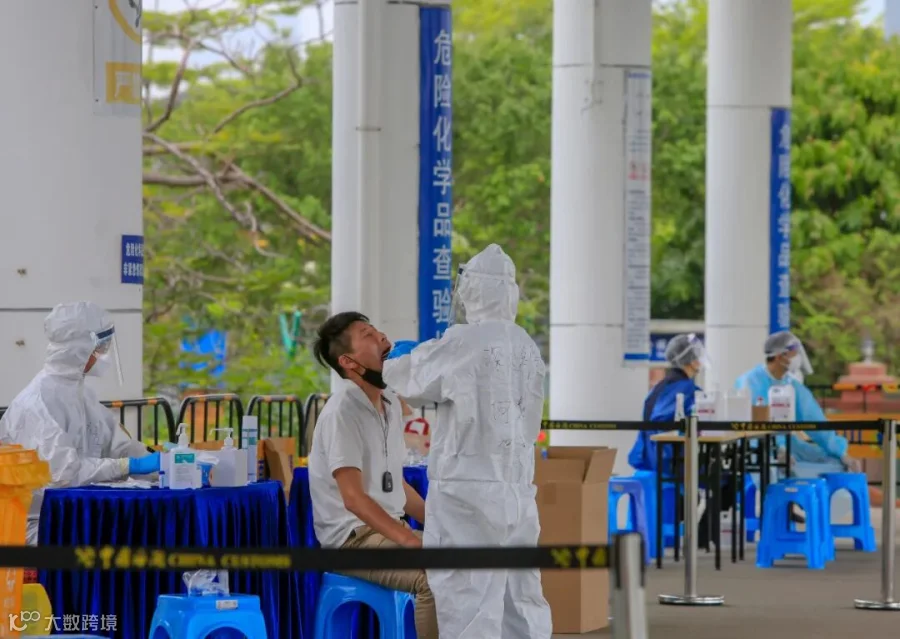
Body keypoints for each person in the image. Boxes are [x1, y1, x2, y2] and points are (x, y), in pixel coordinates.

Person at [383, 244, 552, 639]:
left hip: (467, 493)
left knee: (468, 598)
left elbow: (411, 379)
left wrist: (399, 356)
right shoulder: (526, 345)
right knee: (520, 595)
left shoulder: (463, 341)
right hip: (516, 491)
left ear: (472, 290)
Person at [308, 312, 437, 639]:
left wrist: (443, 523)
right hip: (353, 541)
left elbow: (398, 488)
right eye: (367, 334)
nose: (382, 337)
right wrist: (410, 541)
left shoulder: (390, 403)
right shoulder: (343, 411)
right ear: (348, 362)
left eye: (378, 331)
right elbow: (353, 499)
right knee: (434, 576)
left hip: (389, 532)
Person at [0, 302, 158, 545]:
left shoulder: (81, 395)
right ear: (77, 349)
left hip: (74, 513)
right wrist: (129, 466)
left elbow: (116, 444)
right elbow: (64, 474)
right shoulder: (38, 403)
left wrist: (161, 460)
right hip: (37, 524)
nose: (104, 354)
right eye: (100, 347)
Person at [735, 331, 899, 507]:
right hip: (758, 449)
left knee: (834, 463)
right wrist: (778, 448)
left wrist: (840, 452)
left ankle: (822, 514)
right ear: (780, 356)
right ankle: (781, 513)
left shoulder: (790, 385)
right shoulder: (751, 382)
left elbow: (814, 419)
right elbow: (755, 424)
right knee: (776, 471)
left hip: (788, 447)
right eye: (793, 352)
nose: (797, 357)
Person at [627, 334, 730, 547]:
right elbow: (666, 423)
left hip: (648, 456)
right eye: (697, 357)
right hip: (668, 461)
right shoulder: (687, 389)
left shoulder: (657, 388)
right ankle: (702, 536)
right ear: (691, 361)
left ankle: (693, 529)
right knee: (727, 479)